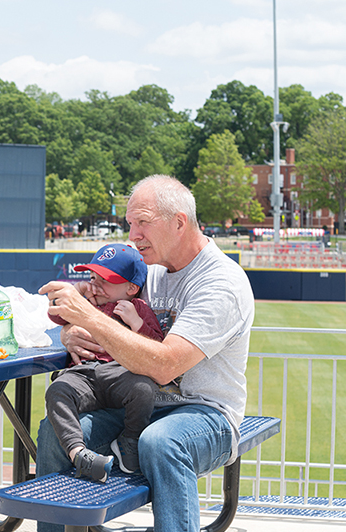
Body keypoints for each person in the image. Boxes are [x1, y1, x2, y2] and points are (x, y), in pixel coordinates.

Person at [38, 175, 254, 532]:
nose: (133, 234)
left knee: (160, 441)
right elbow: (93, 314)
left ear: (179, 222)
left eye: (143, 223)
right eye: (130, 224)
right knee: (56, 431)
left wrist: (88, 317)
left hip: (207, 413)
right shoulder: (146, 271)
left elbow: (166, 365)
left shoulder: (221, 282)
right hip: (137, 404)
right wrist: (70, 332)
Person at [46, 243, 164, 482]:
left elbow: (157, 345)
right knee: (57, 390)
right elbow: (55, 313)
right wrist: (77, 291)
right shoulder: (85, 302)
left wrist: (136, 323)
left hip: (119, 374)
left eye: (106, 279)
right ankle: (78, 453)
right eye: (92, 277)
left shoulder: (138, 307)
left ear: (131, 287)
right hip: (84, 375)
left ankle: (130, 441)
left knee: (144, 388)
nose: (95, 284)